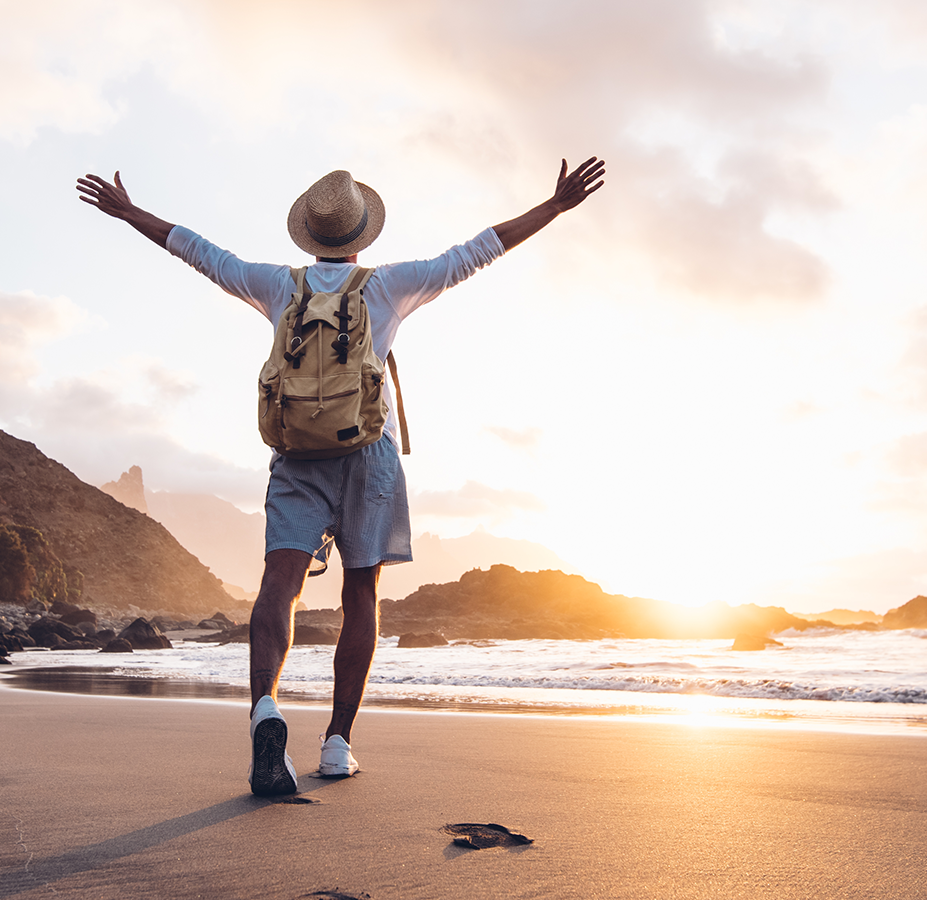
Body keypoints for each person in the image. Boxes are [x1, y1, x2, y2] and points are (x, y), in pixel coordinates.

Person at [76, 157, 605, 795]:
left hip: (297, 454)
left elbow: (199, 251)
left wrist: (130, 212)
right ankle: (336, 744)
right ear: (359, 236)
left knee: (281, 583)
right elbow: (477, 251)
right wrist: (552, 208)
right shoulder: (389, 287)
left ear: (310, 234)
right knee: (361, 593)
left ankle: (265, 710)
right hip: (367, 455)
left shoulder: (276, 285)